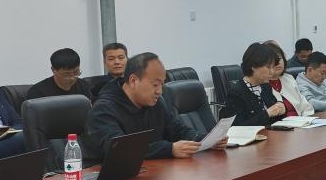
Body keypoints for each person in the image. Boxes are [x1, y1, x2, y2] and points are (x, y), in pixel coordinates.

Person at [85, 52, 215, 159]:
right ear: (133, 81)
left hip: (152, 171)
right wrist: (170, 149)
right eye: (155, 85)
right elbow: (120, 149)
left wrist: (207, 140)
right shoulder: (103, 109)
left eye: (161, 85)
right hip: (109, 178)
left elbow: (177, 130)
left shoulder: (156, 102)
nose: (159, 91)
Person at [221, 43, 287, 126]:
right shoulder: (236, 93)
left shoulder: (266, 87)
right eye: (268, 67)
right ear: (253, 66)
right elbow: (236, 127)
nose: (272, 72)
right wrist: (267, 113)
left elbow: (274, 120)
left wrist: (281, 111)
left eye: (273, 67)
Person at [260, 41, 313, 117]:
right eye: (273, 59)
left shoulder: (289, 78)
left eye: (279, 58)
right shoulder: (260, 84)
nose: (278, 62)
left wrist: (307, 120)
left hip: (302, 122)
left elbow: (305, 105)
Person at [27, 48, 94, 101]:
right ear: (53, 70)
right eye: (67, 74)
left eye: (76, 72)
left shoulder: (84, 86)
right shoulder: (38, 92)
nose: (72, 78)